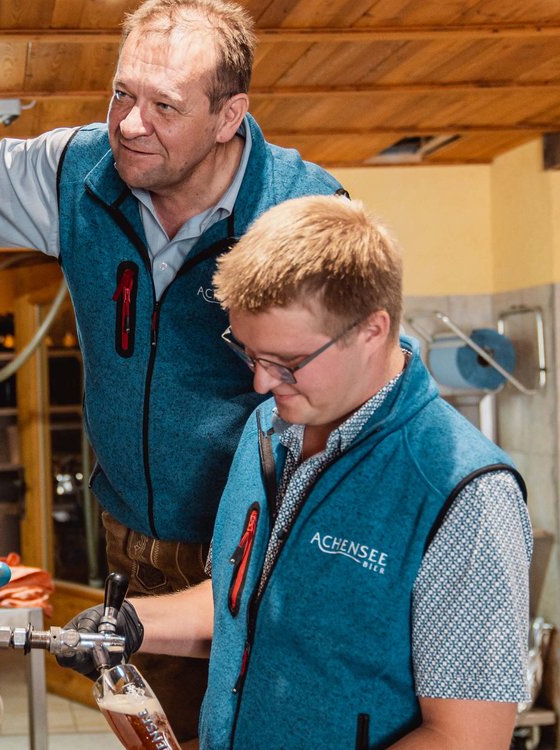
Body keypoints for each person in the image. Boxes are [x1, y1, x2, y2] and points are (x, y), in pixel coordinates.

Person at [0, 1, 345, 738]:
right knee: (161, 734)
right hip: (133, 542)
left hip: (259, 551)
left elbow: (353, 400)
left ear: (229, 116)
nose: (131, 124)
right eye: (123, 94)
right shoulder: (79, 175)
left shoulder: (300, 211)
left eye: (164, 105)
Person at [61, 195, 532, 749]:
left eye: (287, 363)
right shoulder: (268, 427)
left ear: (372, 330)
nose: (261, 383)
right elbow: (246, 606)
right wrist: (133, 624)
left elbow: (466, 740)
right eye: (248, 353)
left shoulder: (463, 494)